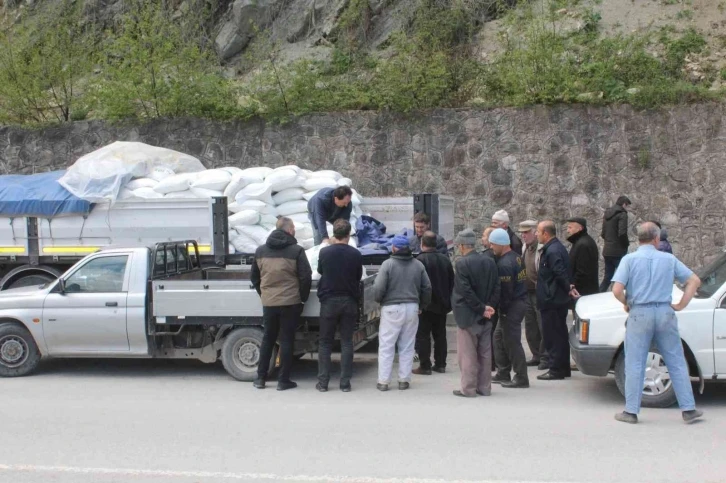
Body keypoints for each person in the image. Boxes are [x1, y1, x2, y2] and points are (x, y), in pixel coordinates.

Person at [611, 222, 703, 424]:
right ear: (656, 239)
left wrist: (627, 303)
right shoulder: (669, 259)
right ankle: (688, 409)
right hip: (664, 312)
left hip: (640, 312)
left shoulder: (629, 260)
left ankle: (631, 412)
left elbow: (617, 290)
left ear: (638, 239)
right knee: (676, 361)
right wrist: (680, 304)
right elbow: (694, 281)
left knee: (635, 363)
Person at [251, 217, 312, 390]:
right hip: (290, 302)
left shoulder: (260, 251)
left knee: (268, 338)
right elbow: (305, 276)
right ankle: (283, 380)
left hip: (269, 302)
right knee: (286, 340)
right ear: (290, 230)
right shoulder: (297, 251)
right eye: (293, 228)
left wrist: (264, 294)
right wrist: (303, 297)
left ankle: (260, 378)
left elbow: (254, 277)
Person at [373, 235, 432, 391]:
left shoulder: (387, 265)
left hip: (391, 308)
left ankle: (384, 381)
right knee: (407, 346)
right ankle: (404, 380)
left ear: (394, 248)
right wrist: (422, 305)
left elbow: (378, 288)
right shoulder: (418, 265)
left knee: (387, 345)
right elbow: (427, 288)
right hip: (412, 307)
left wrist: (379, 300)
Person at [451, 229, 500, 398]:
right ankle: (485, 388)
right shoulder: (489, 262)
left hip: (468, 316)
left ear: (463, 246)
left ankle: (469, 389)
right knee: (485, 354)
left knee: (468, 354)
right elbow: (496, 287)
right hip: (486, 317)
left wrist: (481, 308)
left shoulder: (462, 264)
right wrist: (489, 307)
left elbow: (466, 291)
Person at [316, 219, 363, 392]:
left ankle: (323, 383)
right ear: (349, 234)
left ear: (333, 234)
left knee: (325, 343)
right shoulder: (356, 254)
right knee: (346, 343)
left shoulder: (325, 253)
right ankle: (345, 383)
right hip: (349, 301)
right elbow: (358, 276)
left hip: (329, 301)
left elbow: (320, 271)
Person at [489, 228, 530, 388]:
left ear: (500, 244)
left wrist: (502, 311)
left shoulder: (505, 264)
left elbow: (506, 292)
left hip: (511, 306)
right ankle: (503, 371)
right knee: (498, 337)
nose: (491, 248)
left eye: (493, 244)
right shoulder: (516, 257)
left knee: (512, 342)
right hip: (518, 302)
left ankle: (521, 377)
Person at [412, 231, 455, 375]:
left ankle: (425, 365)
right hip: (442, 304)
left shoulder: (419, 260)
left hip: (425, 305)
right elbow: (451, 282)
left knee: (423, 335)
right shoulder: (445, 259)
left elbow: (417, 285)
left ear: (422, 244)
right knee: (440, 335)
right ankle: (440, 364)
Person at [535, 221, 573, 381]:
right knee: (559, 334)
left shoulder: (553, 250)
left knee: (553, 335)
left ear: (546, 233)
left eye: (538, 231)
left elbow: (559, 272)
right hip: (554, 299)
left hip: (552, 300)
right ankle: (562, 367)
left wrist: (568, 288)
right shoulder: (554, 248)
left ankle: (556, 369)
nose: (536, 234)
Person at [519, 220, 546, 369]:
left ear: (535, 232)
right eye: (522, 232)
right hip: (527, 292)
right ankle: (536, 355)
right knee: (530, 326)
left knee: (542, 325)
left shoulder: (541, 249)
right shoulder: (525, 247)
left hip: (538, 292)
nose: (523, 235)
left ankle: (544, 357)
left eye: (526, 232)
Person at [600, 195, 631, 292]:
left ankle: (597, 295)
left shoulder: (607, 214)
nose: (627, 208)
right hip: (618, 251)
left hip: (607, 250)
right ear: (624, 204)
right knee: (626, 276)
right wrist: (626, 244)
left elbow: (603, 233)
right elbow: (622, 233)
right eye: (627, 206)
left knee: (608, 277)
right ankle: (631, 298)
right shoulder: (622, 214)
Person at [566, 217, 600, 300]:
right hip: (583, 292)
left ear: (580, 228)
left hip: (582, 293)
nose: (567, 230)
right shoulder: (580, 242)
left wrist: (573, 287)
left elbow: (582, 272)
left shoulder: (583, 244)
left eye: (570, 227)